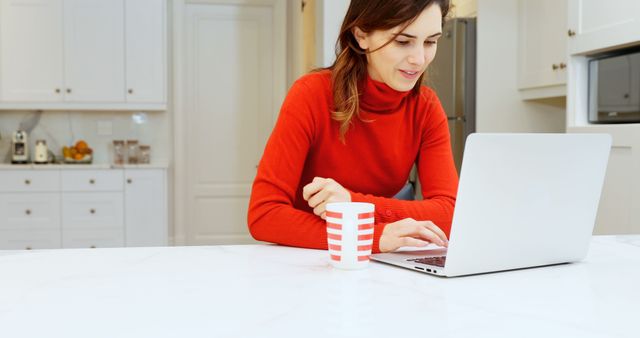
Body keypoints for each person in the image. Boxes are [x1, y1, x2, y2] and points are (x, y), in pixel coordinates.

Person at [248, 0, 457, 253]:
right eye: (403, 41)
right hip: (305, 261)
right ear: (361, 35)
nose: (419, 58)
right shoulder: (311, 95)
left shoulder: (426, 108)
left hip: (374, 265)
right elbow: (264, 215)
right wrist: (370, 236)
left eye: (430, 41)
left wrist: (351, 203)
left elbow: (451, 214)